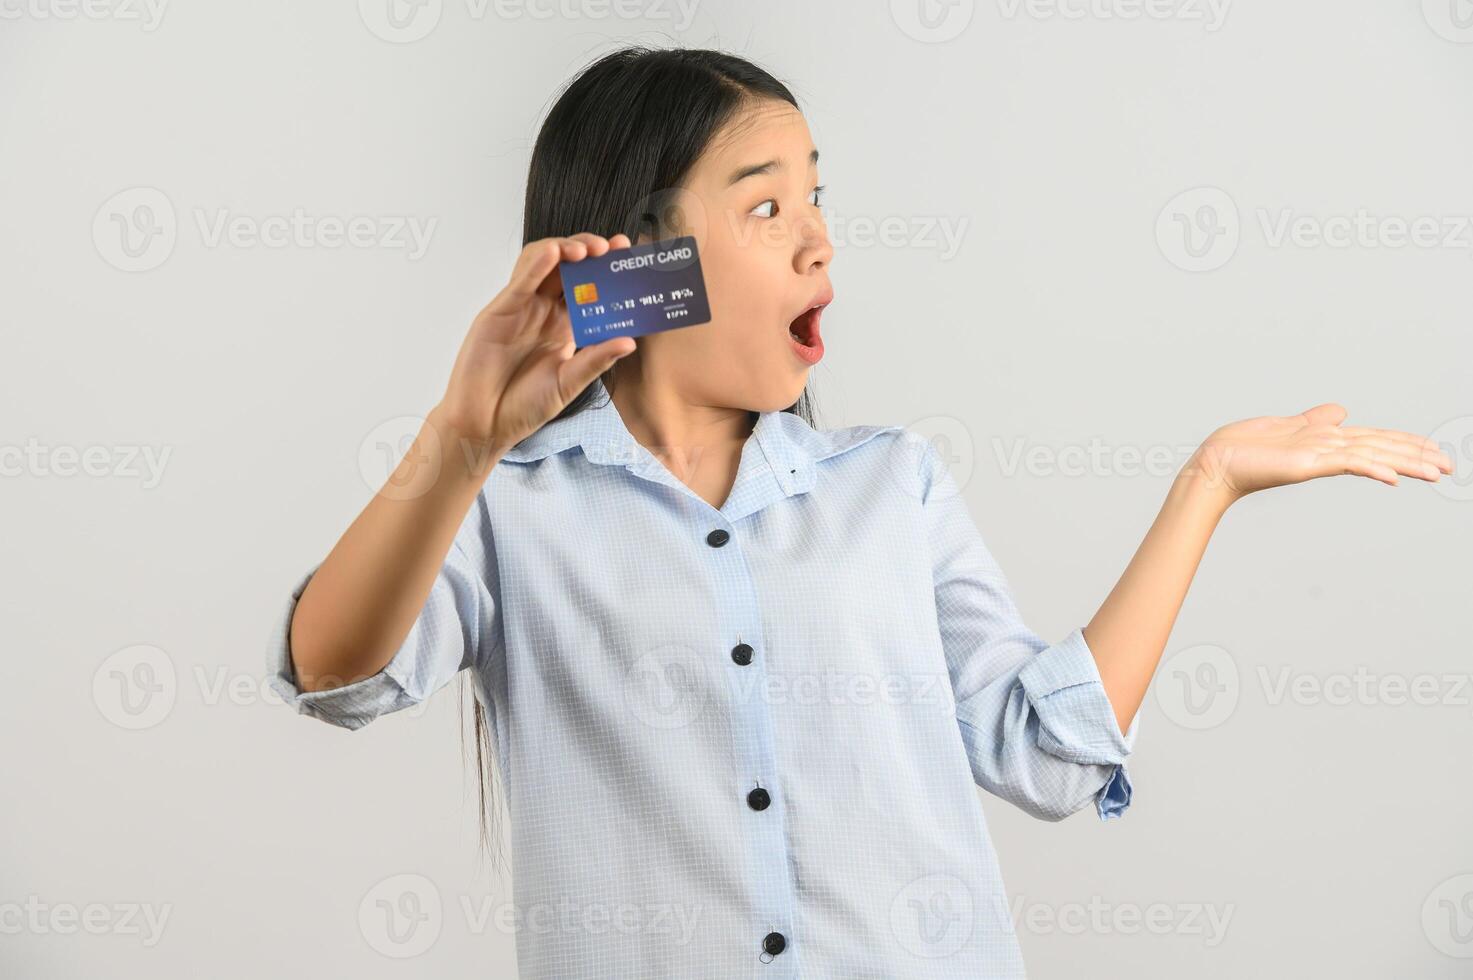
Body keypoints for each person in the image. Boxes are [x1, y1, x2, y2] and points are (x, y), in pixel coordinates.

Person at [265, 44, 1454, 979]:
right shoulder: (503, 507)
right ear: (645, 258)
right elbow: (334, 673)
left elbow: (1042, 752)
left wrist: (1210, 483)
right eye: (767, 206)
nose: (821, 239)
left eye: (817, 197)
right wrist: (461, 438)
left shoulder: (895, 485)